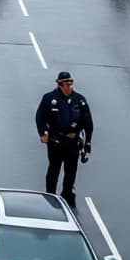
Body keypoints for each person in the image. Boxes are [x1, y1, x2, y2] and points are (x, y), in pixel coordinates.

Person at [35, 71, 93, 207]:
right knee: (53, 169)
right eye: (65, 84)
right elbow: (40, 117)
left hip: (73, 141)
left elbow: (88, 123)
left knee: (71, 171)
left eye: (70, 83)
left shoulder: (80, 100)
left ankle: (67, 194)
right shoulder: (50, 98)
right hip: (56, 140)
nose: (69, 86)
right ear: (59, 84)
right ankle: (50, 195)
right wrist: (43, 133)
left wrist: (87, 144)